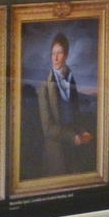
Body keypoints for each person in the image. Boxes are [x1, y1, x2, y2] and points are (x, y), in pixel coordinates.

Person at [25, 28, 92, 178]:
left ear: (66, 55)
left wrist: (82, 131)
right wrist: (72, 136)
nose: (55, 58)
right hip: (56, 154)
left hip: (73, 152)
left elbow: (75, 115)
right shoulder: (44, 87)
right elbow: (47, 128)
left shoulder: (70, 80)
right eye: (53, 53)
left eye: (59, 53)